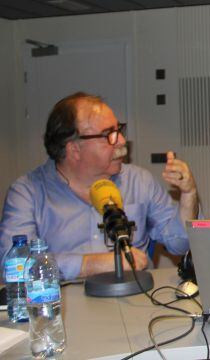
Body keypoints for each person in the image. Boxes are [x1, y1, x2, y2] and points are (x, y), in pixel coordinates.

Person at [0, 92, 199, 280]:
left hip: (133, 301)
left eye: (118, 130)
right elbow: (15, 265)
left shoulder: (139, 181)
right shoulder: (27, 193)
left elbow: (180, 244)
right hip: (65, 306)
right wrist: (91, 265)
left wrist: (188, 193)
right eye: (109, 134)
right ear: (74, 149)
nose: (121, 140)